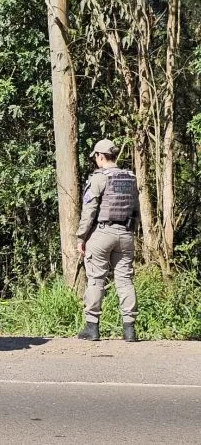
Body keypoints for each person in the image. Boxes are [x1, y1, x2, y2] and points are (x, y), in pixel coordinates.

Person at [76, 139, 140, 342]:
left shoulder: (99, 178)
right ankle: (129, 329)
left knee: (96, 279)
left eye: (95, 156)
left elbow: (89, 211)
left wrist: (81, 237)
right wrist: (131, 232)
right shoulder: (131, 178)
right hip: (126, 234)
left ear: (100, 156)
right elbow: (136, 211)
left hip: (102, 233)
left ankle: (92, 327)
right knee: (125, 281)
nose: (95, 160)